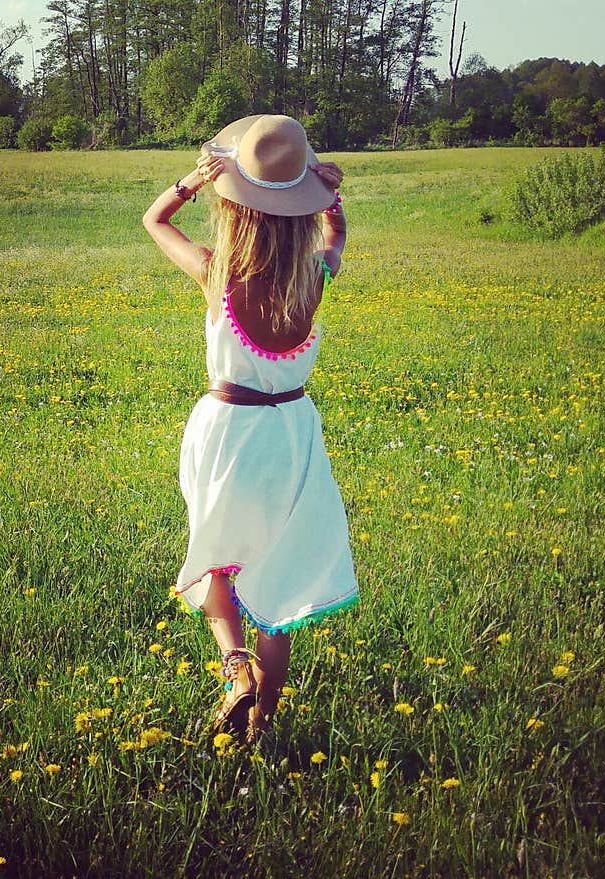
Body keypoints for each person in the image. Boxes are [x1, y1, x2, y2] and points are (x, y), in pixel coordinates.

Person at [142, 114, 358, 744]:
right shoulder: (313, 277)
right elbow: (337, 235)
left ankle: (235, 670)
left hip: (227, 429)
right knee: (279, 584)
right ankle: (262, 723)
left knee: (217, 557)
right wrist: (331, 198)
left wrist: (190, 182)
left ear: (236, 210)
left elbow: (155, 222)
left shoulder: (218, 274)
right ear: (302, 218)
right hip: (291, 436)